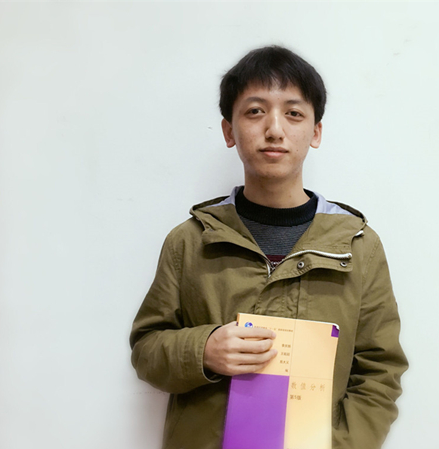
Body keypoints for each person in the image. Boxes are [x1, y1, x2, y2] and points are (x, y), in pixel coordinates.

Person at [130, 45, 408, 449]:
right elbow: (146, 350)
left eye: (293, 113)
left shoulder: (357, 246)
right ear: (229, 131)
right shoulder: (190, 241)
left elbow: (380, 371)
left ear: (316, 132)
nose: (275, 129)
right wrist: (203, 350)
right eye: (255, 111)